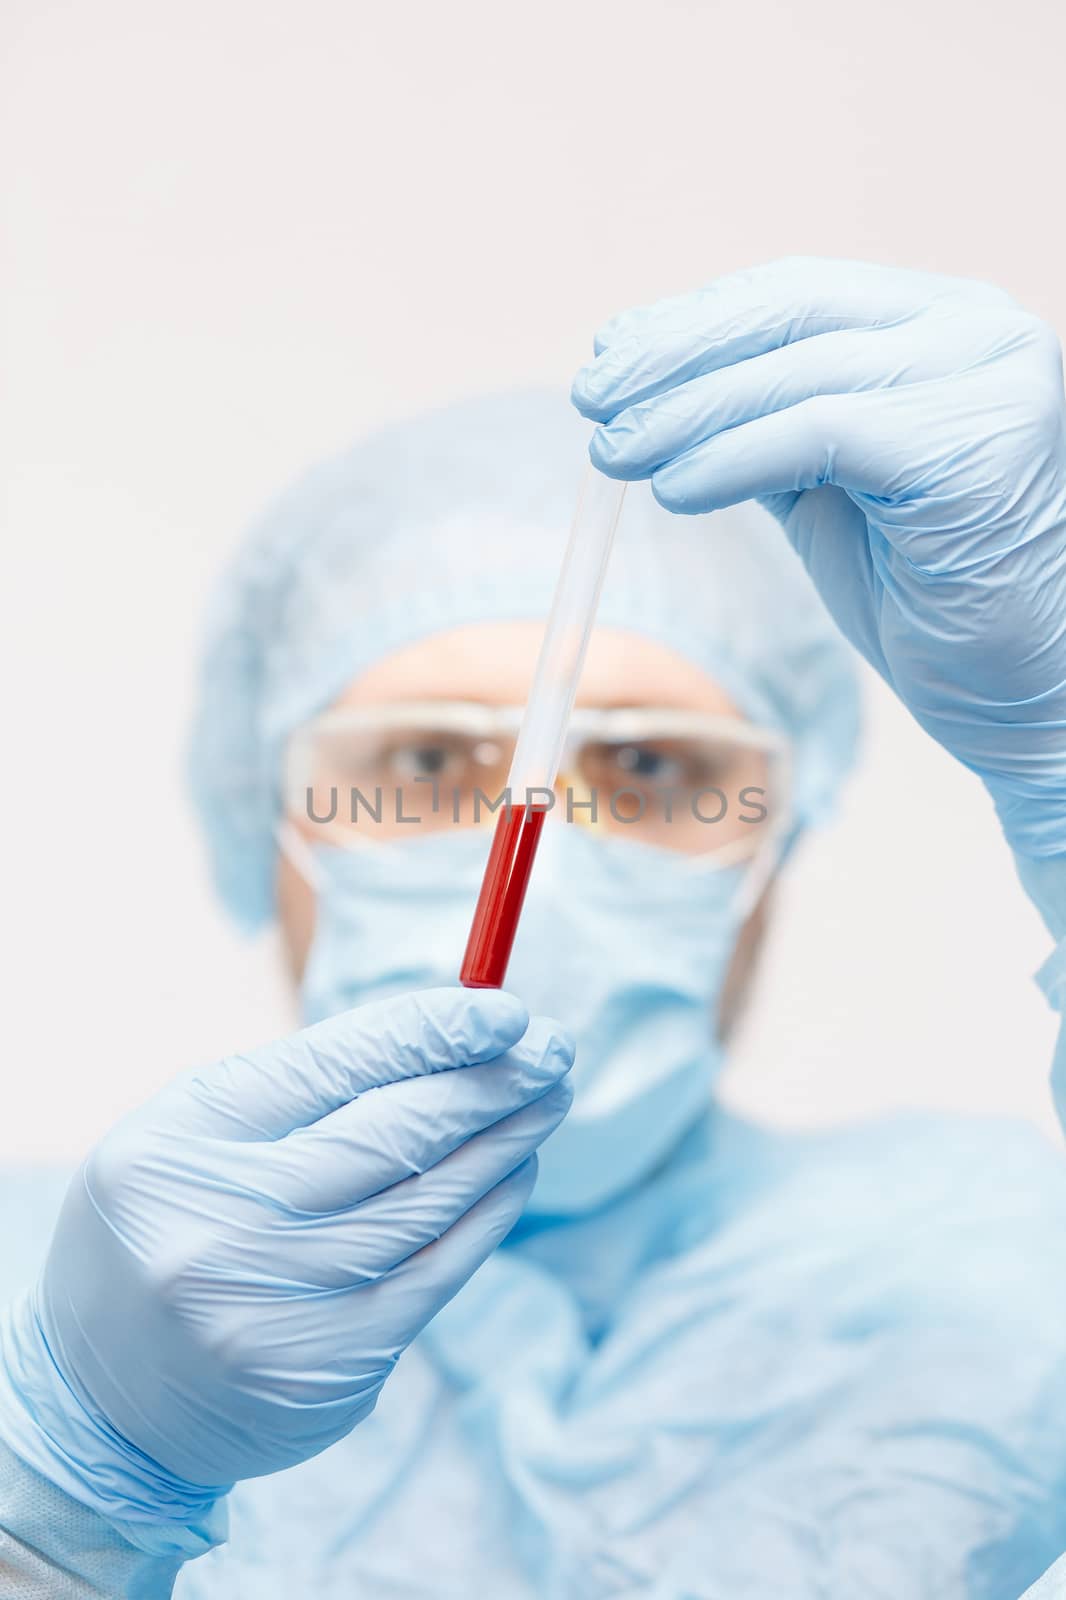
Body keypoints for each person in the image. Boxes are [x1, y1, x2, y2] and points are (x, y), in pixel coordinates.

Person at [2, 260, 1066, 1600]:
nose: (542, 851)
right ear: (264, 814)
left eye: (652, 774)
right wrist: (61, 1493)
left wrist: (1059, 767)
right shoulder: (38, 1307)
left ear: (775, 840)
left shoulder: (1000, 1268)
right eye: (424, 763)